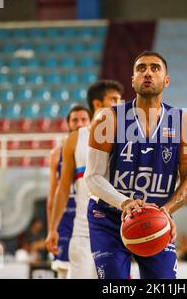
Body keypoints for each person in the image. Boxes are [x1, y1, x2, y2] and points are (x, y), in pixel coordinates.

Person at [82, 50, 187, 279]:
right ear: (133, 80)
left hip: (155, 216)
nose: (147, 72)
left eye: (155, 68)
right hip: (109, 215)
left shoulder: (186, 123)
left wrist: (167, 211)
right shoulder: (108, 119)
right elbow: (92, 177)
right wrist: (124, 203)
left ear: (166, 80)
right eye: (141, 68)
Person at [46, 80, 124, 279]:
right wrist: (52, 229)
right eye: (114, 99)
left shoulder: (126, 136)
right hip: (82, 233)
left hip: (115, 233)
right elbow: (63, 188)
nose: (120, 104)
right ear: (98, 104)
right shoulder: (75, 139)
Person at [46, 105, 91, 278]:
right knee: (64, 272)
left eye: (83, 119)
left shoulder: (94, 149)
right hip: (64, 219)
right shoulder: (57, 153)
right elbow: (53, 193)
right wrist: (52, 227)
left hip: (86, 218)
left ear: (90, 122)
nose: (79, 123)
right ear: (68, 124)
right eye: (74, 120)